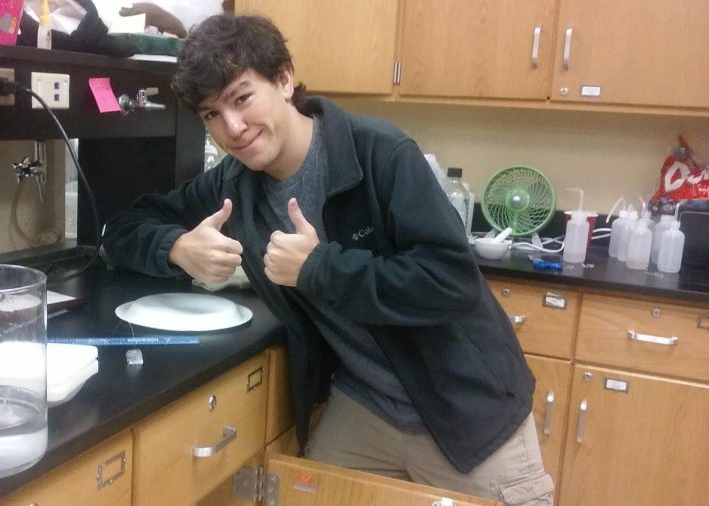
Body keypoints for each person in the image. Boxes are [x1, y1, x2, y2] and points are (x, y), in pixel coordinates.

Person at [103, 14, 554, 505]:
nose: (232, 128)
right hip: (366, 407)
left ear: (283, 79)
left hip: (466, 412)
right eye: (211, 115)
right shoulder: (233, 183)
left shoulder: (381, 154)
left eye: (241, 98)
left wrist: (320, 268)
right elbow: (125, 227)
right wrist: (176, 247)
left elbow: (450, 281)